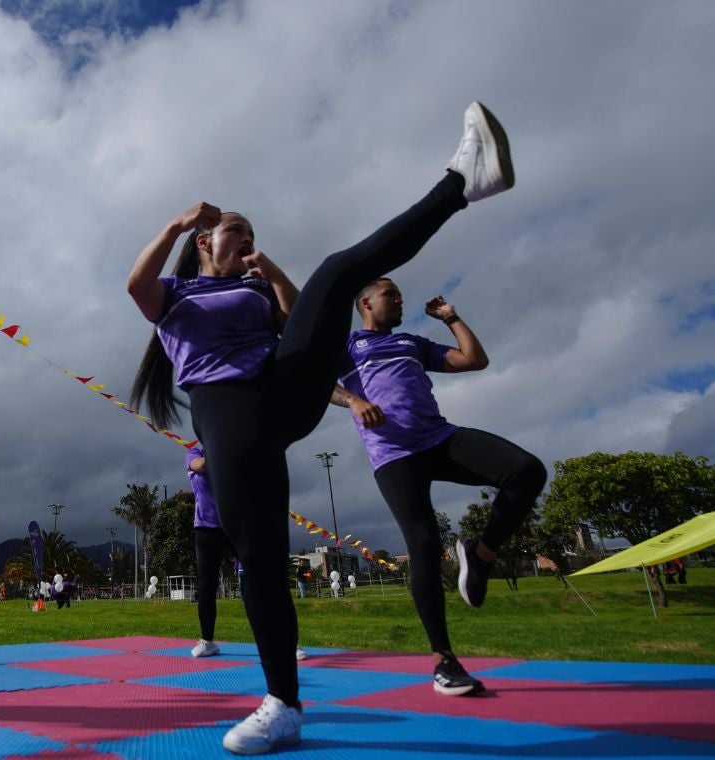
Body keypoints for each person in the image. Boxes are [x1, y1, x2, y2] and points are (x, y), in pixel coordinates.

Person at [126, 102, 514, 753]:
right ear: (203, 242)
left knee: (336, 270)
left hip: (283, 390)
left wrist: (267, 271)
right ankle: (282, 701)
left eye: (252, 234)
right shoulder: (177, 296)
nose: (246, 240)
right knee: (263, 564)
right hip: (229, 414)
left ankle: (463, 182)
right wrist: (173, 223)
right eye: (235, 232)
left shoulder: (254, 290)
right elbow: (136, 286)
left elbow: (303, 318)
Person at [331, 281, 546, 696]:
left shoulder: (411, 342)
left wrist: (451, 318)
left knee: (527, 470)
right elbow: (320, 384)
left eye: (399, 296)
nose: (399, 300)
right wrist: (354, 401)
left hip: (439, 439)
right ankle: (443, 660)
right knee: (425, 545)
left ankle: (481, 555)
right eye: (390, 294)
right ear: (365, 303)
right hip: (394, 456)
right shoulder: (350, 345)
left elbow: (473, 360)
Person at [185, 446, 308, 662]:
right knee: (206, 585)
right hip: (206, 528)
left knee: (261, 580)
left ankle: (288, 642)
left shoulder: (234, 448)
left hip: (236, 525)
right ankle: (207, 641)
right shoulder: (195, 453)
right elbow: (201, 466)